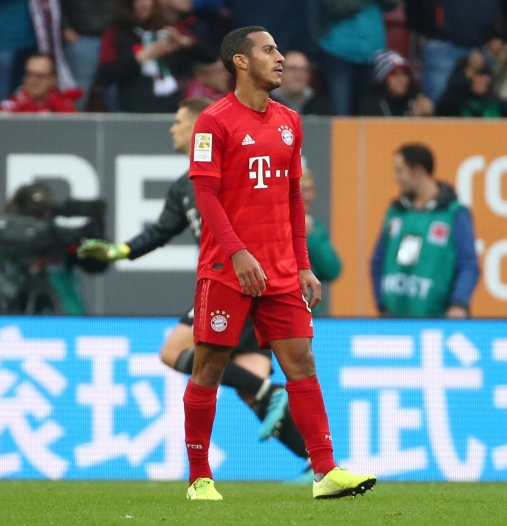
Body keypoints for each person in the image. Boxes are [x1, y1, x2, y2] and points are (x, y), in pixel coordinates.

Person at [180, 25, 375, 500]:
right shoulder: (214, 121)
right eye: (269, 50)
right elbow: (204, 194)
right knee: (208, 367)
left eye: (279, 49)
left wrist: (303, 263)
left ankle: (325, 472)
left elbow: (292, 197)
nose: (280, 57)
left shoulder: (290, 119)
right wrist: (238, 252)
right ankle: (200, 478)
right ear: (241, 62)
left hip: (281, 270)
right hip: (227, 270)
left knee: (301, 363)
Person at [78, 97, 312, 473]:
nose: (172, 128)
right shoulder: (184, 186)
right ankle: (314, 462)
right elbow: (160, 231)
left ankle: (275, 398)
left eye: (177, 121)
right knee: (250, 389)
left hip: (241, 282)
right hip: (233, 282)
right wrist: (119, 251)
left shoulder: (236, 170)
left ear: (198, 125)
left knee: (173, 352)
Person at [0, 183, 107, 315]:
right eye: (30, 217)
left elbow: (98, 264)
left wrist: (95, 232)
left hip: (63, 327)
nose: (36, 224)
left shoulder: (61, 246)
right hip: (9, 325)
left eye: (42, 216)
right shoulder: (2, 251)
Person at [370, 143, 480, 319]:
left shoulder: (454, 213)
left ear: (417, 170)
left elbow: (468, 265)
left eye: (399, 171)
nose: (395, 178)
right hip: (396, 319)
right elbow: (377, 261)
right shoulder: (396, 212)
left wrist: (458, 304)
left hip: (439, 321)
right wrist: (382, 305)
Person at [299, 167, 341, 316]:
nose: (307, 196)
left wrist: (311, 236)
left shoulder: (315, 228)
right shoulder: (274, 226)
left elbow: (333, 269)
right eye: (302, 190)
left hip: (312, 312)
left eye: (310, 190)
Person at [358, 50, 434, 117]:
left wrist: (424, 116)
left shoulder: (415, 98)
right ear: (383, 80)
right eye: (396, 75)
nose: (404, 79)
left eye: (405, 74)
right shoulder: (371, 103)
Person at [0, 53, 80, 113]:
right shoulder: (8, 110)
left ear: (53, 79)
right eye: (29, 75)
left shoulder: (64, 109)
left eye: (40, 76)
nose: (33, 80)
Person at [436, 51, 507, 117]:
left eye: (485, 75)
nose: (482, 79)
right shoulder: (453, 102)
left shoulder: (496, 103)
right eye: (478, 74)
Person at [270, 50, 334, 115]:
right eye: (292, 69)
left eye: (304, 69)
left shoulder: (323, 108)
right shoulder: (263, 104)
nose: (299, 74)